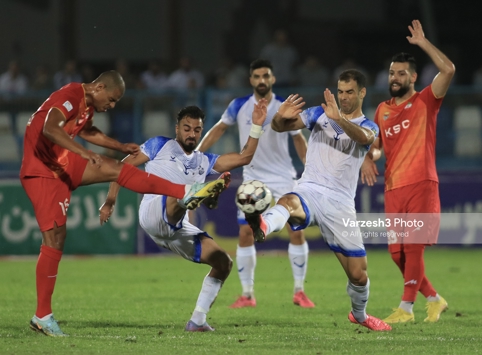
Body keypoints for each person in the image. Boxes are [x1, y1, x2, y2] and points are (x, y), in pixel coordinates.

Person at [21, 70, 226, 337]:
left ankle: (185, 190)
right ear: (100, 87)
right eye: (113, 99)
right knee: (55, 239)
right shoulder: (70, 95)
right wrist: (85, 153)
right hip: (42, 170)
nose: (113, 106)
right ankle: (42, 316)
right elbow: (50, 128)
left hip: (61, 162)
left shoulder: (87, 103)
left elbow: (89, 131)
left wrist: (118, 146)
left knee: (119, 169)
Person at [243, 69, 392, 331]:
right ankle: (262, 226)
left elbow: (365, 139)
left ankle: (360, 315)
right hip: (310, 188)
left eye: (349, 92)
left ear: (362, 93)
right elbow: (280, 128)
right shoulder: (319, 114)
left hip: (341, 204)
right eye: (340, 92)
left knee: (359, 275)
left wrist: (340, 120)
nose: (343, 97)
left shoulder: (369, 126)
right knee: (289, 201)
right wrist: (279, 116)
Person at [99, 103, 268, 332]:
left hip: (177, 227)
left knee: (223, 262)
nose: (192, 134)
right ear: (177, 128)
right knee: (177, 191)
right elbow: (121, 168)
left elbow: (244, 157)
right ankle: (199, 192)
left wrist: (257, 125)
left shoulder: (204, 160)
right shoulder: (159, 145)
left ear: (201, 131)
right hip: (153, 211)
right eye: (186, 128)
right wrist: (110, 201)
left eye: (197, 130)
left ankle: (197, 320)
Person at [197, 59, 313, 309]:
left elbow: (298, 138)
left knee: (297, 230)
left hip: (284, 176)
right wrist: (195, 155)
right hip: (252, 179)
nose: (262, 80)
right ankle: (248, 294)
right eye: (257, 76)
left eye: (266, 76)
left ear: (272, 79)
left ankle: (299, 291)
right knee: (246, 232)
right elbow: (218, 130)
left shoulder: (283, 106)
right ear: (251, 80)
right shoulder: (238, 106)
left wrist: (309, 166)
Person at [360, 20, 455, 324]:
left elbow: (449, 70)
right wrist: (368, 158)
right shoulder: (382, 110)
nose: (395, 77)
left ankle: (406, 308)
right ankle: (434, 299)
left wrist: (424, 43)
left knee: (412, 248)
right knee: (396, 254)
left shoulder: (426, 100)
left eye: (402, 73)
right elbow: (377, 147)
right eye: (391, 73)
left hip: (421, 182)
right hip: (393, 187)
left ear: (413, 77)